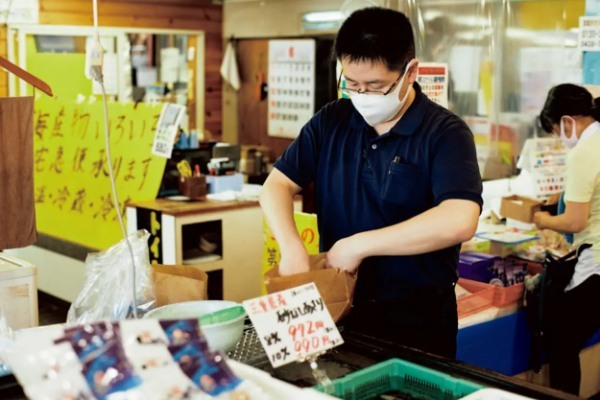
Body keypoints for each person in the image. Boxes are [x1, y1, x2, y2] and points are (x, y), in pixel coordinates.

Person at [259, 7, 482, 359]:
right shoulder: (332, 120)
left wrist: (360, 245)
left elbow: (459, 219)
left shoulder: (445, 133)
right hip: (337, 306)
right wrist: (290, 247)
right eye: (352, 84)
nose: (361, 95)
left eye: (376, 87)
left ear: (411, 72)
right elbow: (276, 186)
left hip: (416, 322)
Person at [534, 83, 600, 395]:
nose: (560, 139)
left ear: (567, 121)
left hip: (596, 262)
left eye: (557, 130)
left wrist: (543, 219)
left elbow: (575, 220)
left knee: (561, 342)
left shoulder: (584, 152)